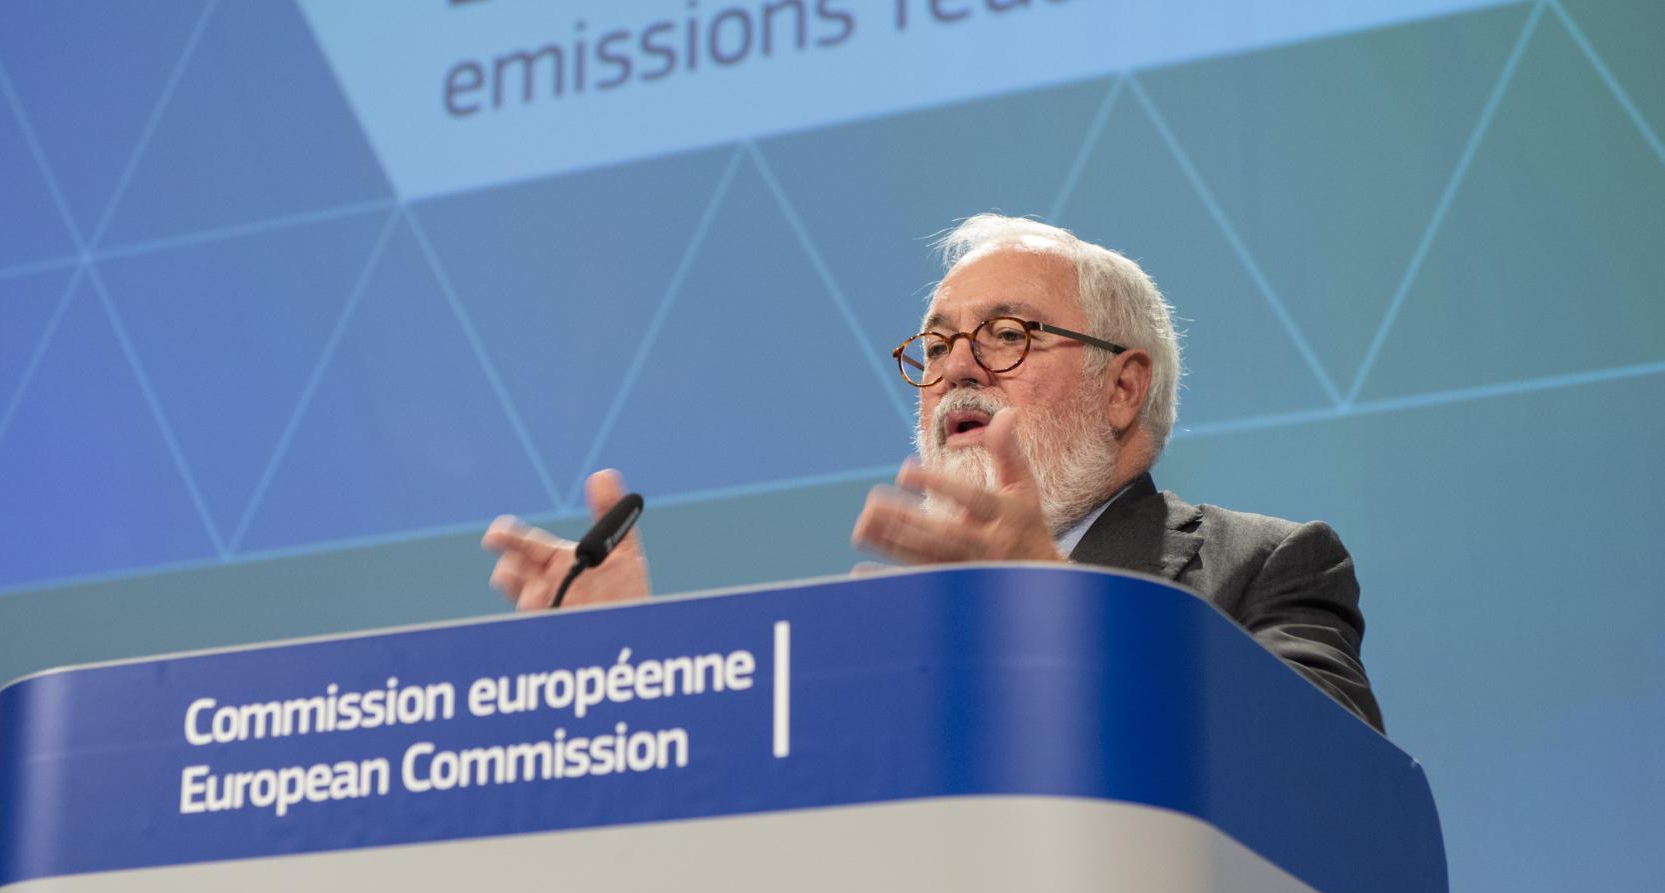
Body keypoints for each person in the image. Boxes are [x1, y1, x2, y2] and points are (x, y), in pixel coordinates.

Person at [484, 215, 1383, 731]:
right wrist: (628, 666)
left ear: (1122, 388)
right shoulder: (869, 630)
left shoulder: (1267, 566)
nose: (955, 367)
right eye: (938, 343)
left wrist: (1059, 603)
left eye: (1007, 334)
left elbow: (1327, 775)